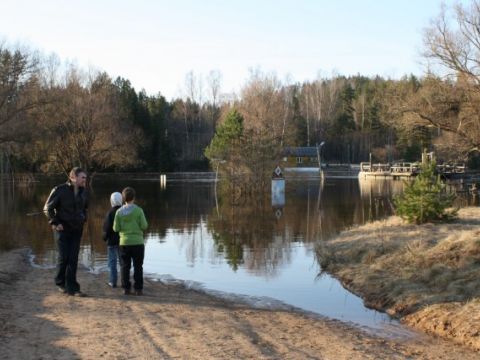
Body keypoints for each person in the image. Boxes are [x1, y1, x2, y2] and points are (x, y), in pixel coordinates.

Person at [43, 167, 88, 297]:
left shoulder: (84, 192)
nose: (85, 180)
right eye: (82, 177)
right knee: (64, 258)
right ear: (73, 177)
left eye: (85, 177)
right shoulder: (59, 190)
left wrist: (84, 219)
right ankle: (60, 283)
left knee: (73, 259)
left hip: (76, 230)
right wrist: (56, 223)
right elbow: (47, 209)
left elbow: (85, 208)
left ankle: (73, 288)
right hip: (62, 230)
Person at [113, 187, 148, 295]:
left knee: (125, 266)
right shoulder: (138, 210)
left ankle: (126, 288)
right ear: (134, 197)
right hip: (137, 242)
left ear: (123, 198)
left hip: (124, 243)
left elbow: (116, 228)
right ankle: (138, 289)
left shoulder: (119, 212)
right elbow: (144, 225)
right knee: (138, 266)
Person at [102, 192, 123, 288]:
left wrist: (104, 237)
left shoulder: (110, 213)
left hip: (112, 242)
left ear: (112, 201)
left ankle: (113, 282)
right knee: (123, 263)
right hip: (123, 241)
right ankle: (124, 282)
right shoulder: (124, 211)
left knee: (112, 262)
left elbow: (107, 228)